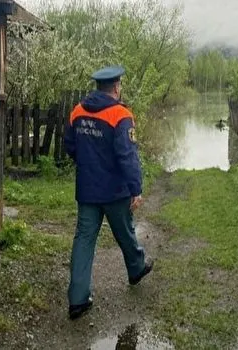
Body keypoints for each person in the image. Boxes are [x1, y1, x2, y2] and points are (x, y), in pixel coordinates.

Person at [64, 65, 154, 320]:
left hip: (87, 189)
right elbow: (127, 156)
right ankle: (136, 269)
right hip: (115, 192)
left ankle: (78, 300)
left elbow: (70, 145)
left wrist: (87, 164)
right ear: (115, 87)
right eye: (120, 85)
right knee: (124, 231)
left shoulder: (77, 111)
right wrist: (135, 189)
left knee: (83, 240)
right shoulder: (120, 115)